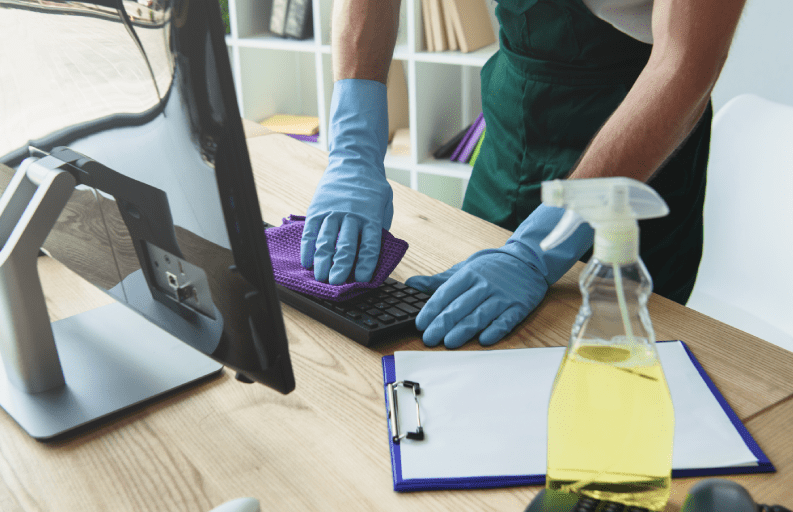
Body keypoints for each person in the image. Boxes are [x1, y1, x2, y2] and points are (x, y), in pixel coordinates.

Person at [300, 0, 747, 348]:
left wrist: (544, 245)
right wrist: (353, 149)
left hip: (636, 151)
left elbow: (686, 63)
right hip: (513, 128)